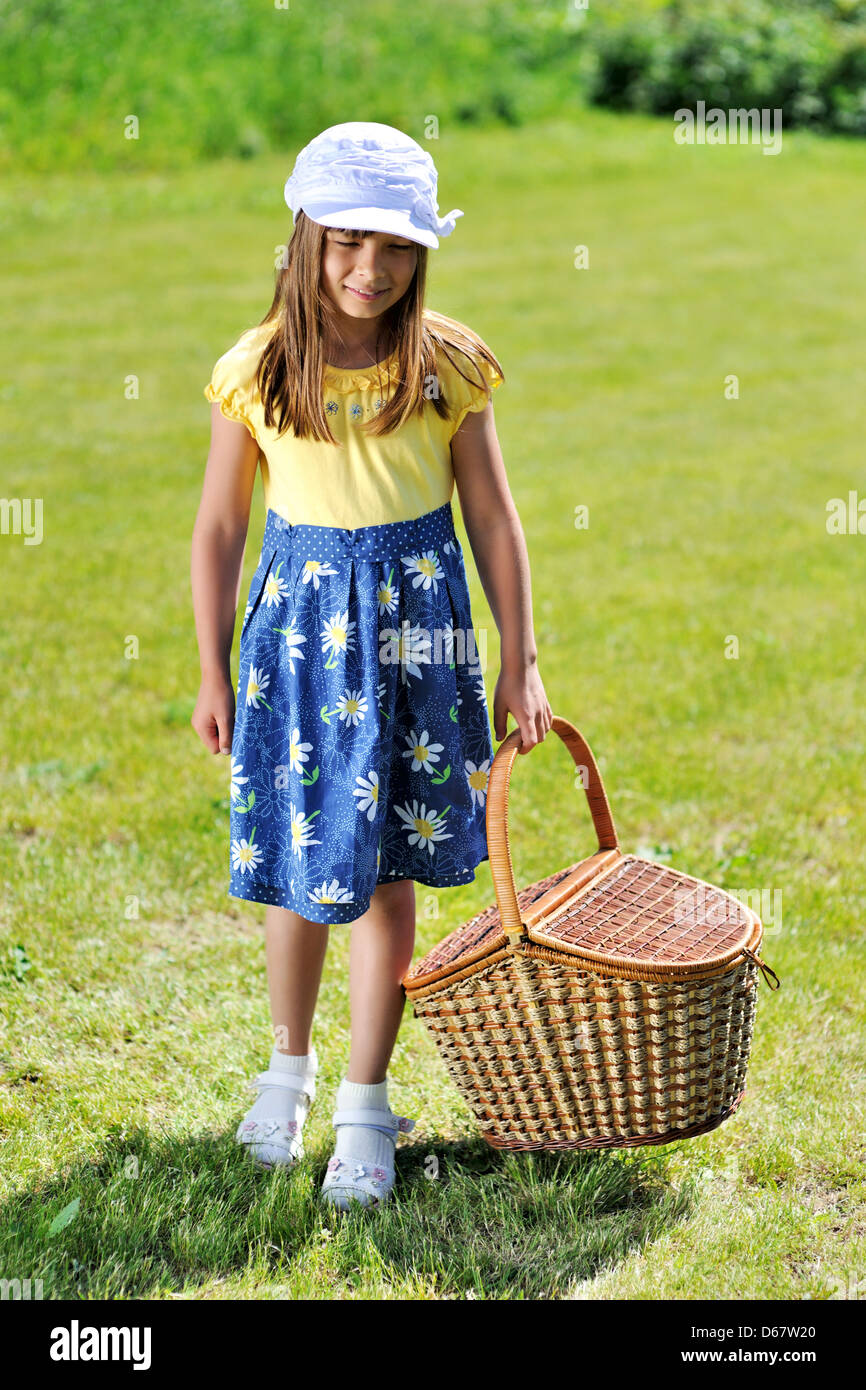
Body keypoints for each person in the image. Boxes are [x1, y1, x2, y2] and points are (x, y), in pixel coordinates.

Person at [190, 122, 553, 1210]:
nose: (368, 269)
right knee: (304, 866)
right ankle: (286, 1068)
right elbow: (217, 528)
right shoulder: (258, 368)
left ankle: (364, 1103)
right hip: (299, 645)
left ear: (420, 253)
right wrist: (211, 670)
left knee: (387, 870)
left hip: (416, 643)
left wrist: (519, 660)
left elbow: (490, 515)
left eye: (393, 246)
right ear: (304, 238)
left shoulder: (443, 362)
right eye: (346, 241)